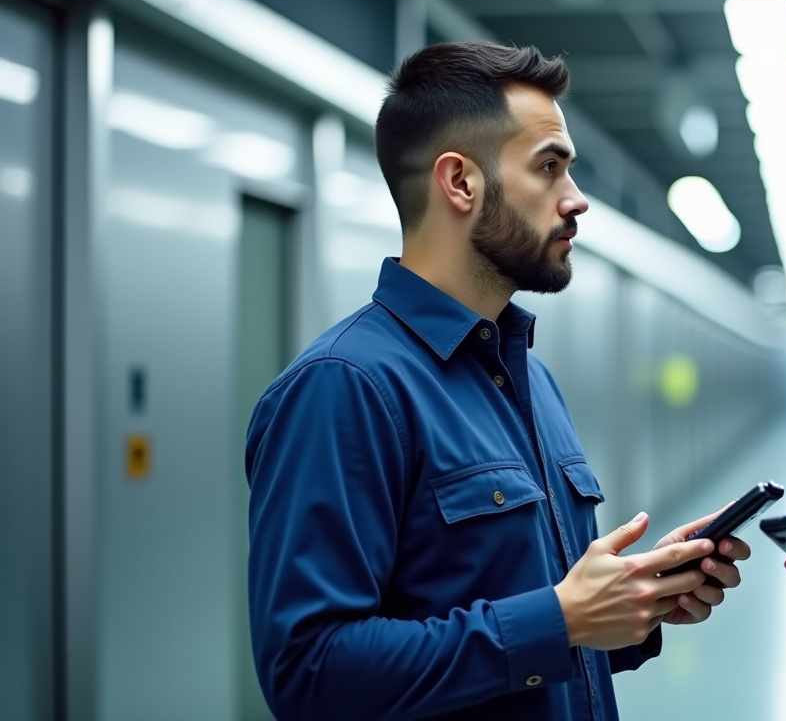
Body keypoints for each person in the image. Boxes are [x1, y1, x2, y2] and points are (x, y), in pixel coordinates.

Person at [244, 41, 751, 721]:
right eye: (549, 169)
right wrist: (561, 621)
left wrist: (630, 605)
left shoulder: (530, 378)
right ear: (460, 183)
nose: (576, 202)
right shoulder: (346, 388)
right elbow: (310, 675)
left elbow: (538, 623)